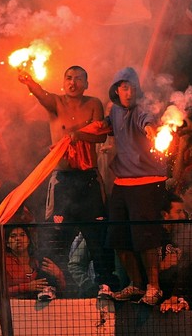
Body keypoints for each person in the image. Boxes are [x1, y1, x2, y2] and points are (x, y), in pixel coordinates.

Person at [17, 64, 116, 297]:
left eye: (79, 79)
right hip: (62, 179)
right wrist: (29, 81)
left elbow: (100, 134)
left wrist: (77, 134)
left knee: (96, 233)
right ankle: (49, 284)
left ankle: (105, 283)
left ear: (87, 84)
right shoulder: (55, 102)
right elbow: (40, 94)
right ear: (63, 82)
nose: (73, 83)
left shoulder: (94, 104)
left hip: (88, 179)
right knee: (56, 233)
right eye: (69, 78)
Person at [102, 67, 168, 305]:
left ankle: (154, 287)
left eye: (132, 87)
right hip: (122, 182)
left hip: (147, 181)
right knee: (118, 237)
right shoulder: (115, 110)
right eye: (124, 87)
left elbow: (146, 122)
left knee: (146, 237)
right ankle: (136, 285)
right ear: (116, 90)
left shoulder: (144, 109)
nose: (128, 92)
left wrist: (151, 132)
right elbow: (106, 126)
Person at [4, 225, 66, 301]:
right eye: (13, 236)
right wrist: (27, 287)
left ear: (28, 240)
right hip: (14, 306)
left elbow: (62, 289)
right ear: (7, 243)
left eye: (22, 235)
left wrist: (59, 275)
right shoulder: (3, 263)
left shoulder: (39, 261)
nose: (18, 239)